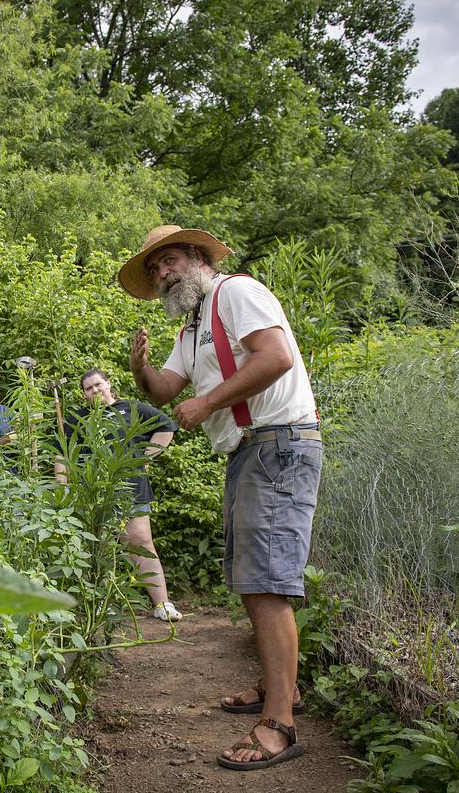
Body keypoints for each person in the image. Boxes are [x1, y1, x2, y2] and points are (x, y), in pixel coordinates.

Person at [121, 224, 321, 771]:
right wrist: (140, 368)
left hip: (279, 443)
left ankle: (279, 723)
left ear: (197, 257)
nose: (163, 274)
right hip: (248, 451)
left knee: (266, 579)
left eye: (169, 261)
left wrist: (207, 403)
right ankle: (281, 689)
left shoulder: (235, 293)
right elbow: (164, 390)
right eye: (156, 268)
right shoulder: (194, 327)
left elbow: (276, 356)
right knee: (253, 576)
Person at [55, 369, 181, 621]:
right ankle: (99, 607)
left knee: (141, 541)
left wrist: (145, 458)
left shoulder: (132, 408)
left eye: (98, 384)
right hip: (92, 491)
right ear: (84, 394)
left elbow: (167, 426)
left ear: (108, 384)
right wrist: (63, 489)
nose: (95, 390)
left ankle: (162, 604)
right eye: (89, 388)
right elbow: (63, 455)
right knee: (97, 546)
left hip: (131, 486)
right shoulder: (77, 419)